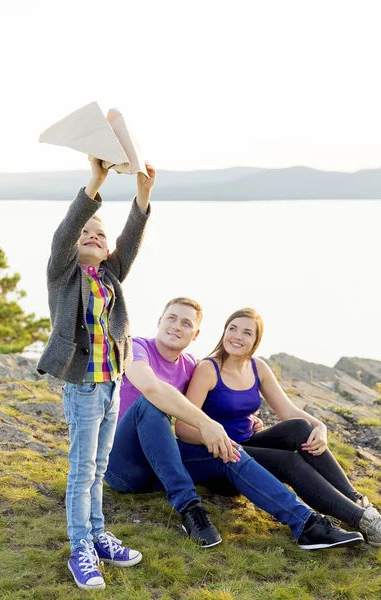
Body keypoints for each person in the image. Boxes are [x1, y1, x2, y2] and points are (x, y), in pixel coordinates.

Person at [105, 297, 364, 551]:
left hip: (162, 465)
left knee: (229, 451)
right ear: (160, 321)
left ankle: (307, 525)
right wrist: (207, 424)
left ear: (196, 334)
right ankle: (190, 509)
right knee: (150, 404)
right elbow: (149, 386)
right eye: (171, 319)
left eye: (186, 323)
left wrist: (241, 421)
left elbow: (215, 400)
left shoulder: (190, 366)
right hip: (124, 467)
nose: (176, 326)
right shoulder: (136, 347)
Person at [37, 158, 155, 590]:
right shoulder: (63, 274)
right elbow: (66, 230)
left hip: (112, 384)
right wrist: (97, 181)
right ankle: (80, 547)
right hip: (83, 388)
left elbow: (133, 240)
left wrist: (143, 193)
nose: (91, 235)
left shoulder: (111, 276)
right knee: (81, 469)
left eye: (100, 234)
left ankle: (99, 534)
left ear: (107, 250)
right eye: (86, 232)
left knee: (99, 467)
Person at [175, 307, 381, 547]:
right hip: (222, 457)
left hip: (248, 444)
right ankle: (362, 521)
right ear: (224, 332)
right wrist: (216, 438)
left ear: (255, 341)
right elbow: (182, 428)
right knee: (288, 462)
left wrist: (321, 427)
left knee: (300, 429)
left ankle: (359, 503)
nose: (237, 336)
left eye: (246, 332)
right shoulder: (208, 369)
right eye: (232, 329)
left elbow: (288, 412)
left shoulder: (257, 367)